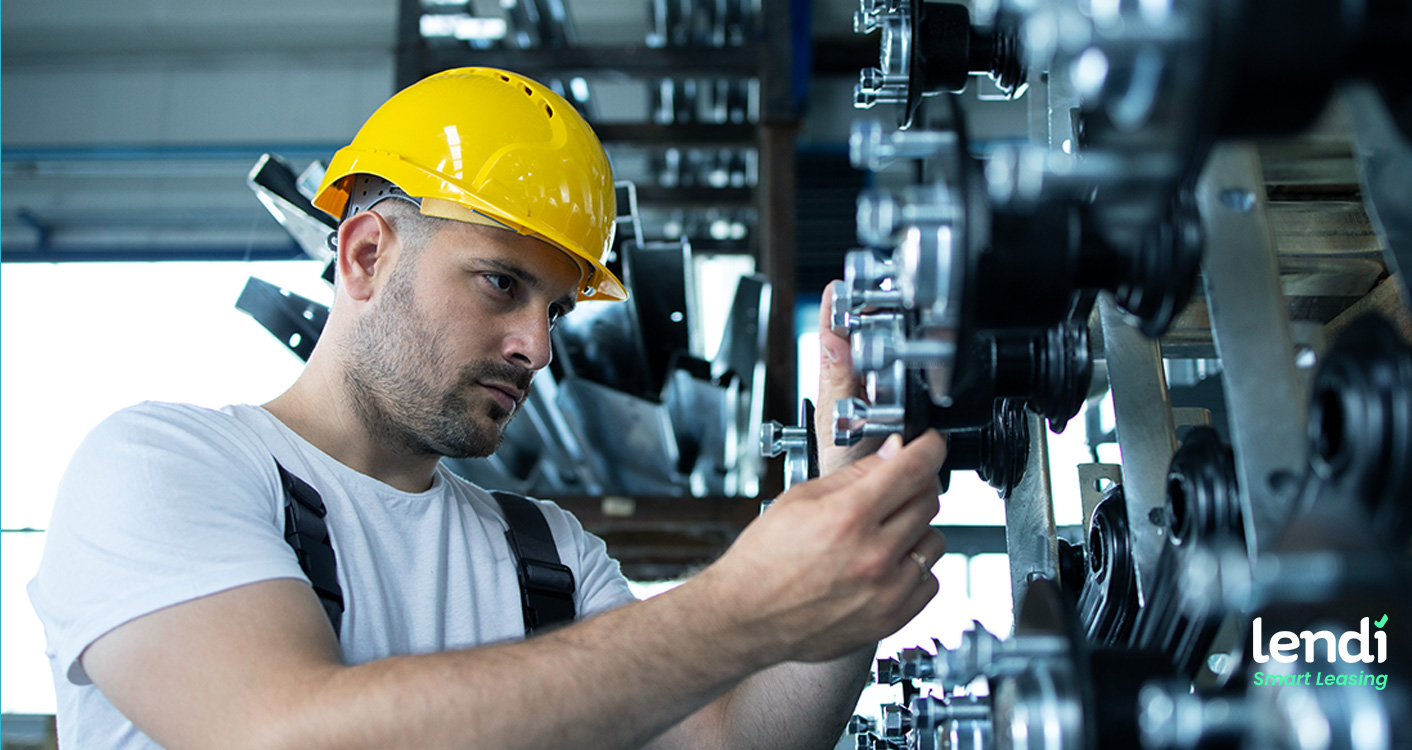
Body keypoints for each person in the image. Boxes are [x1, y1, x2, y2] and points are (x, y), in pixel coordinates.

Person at [28, 67, 946, 750]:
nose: (537, 347)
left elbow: (730, 742)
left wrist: (850, 531)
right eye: (500, 283)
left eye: (555, 310)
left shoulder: (546, 555)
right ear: (365, 256)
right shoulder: (163, 468)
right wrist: (740, 604)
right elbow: (282, 732)